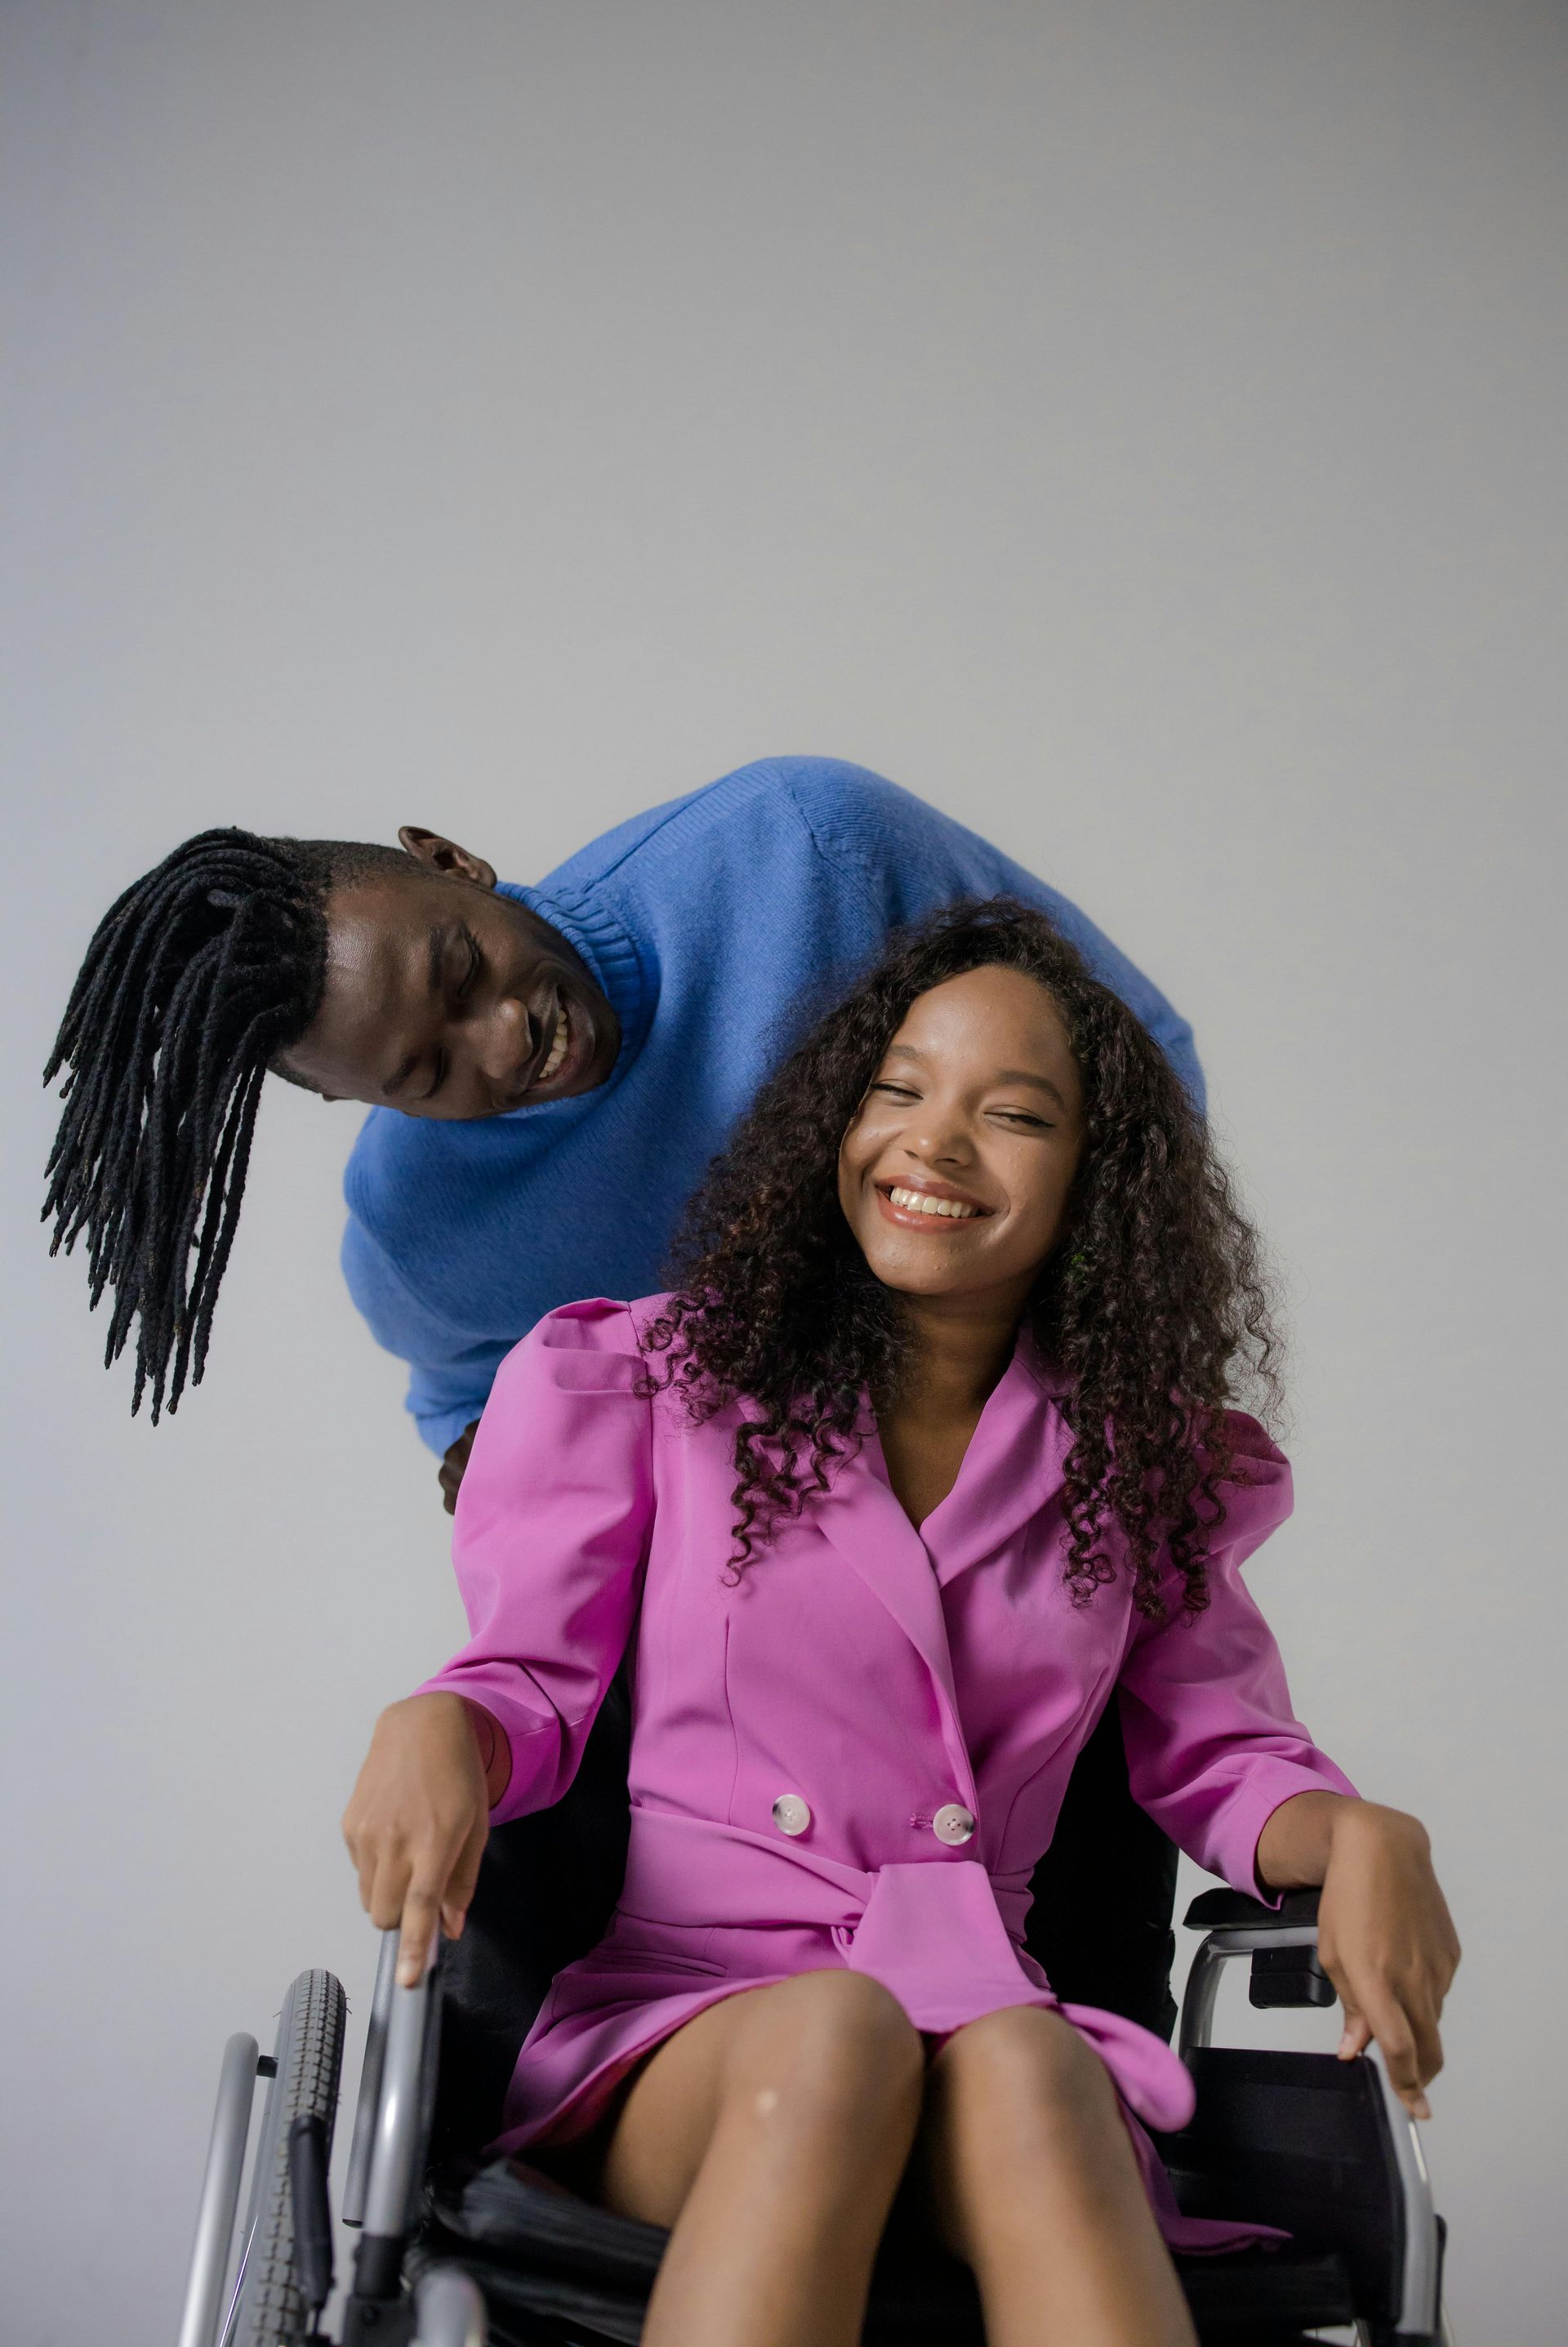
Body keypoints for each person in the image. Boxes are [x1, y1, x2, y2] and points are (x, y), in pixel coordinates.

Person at [342, 899, 1459, 2347]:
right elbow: (529, 1688)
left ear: (1093, 1181)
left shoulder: (1139, 1461)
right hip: (692, 2018)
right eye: (897, 1090)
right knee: (837, 2034)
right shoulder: (657, 1381)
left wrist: (1366, 1832)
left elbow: (1227, 1757)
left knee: (1041, 2068)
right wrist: (440, 1718)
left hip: (989, 2001)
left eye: (1012, 1114)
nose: (932, 1144)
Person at [42, 756, 1199, 1510]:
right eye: (429, 1070)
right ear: (354, 1103)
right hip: (754, 1646)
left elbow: (1132, 1051)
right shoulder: (416, 1238)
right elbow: (470, 1413)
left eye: (463, 968)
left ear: (451, 859)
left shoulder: (805, 848)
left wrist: (1057, 1390)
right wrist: (498, 1469)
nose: (505, 1042)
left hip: (1035, 1494)